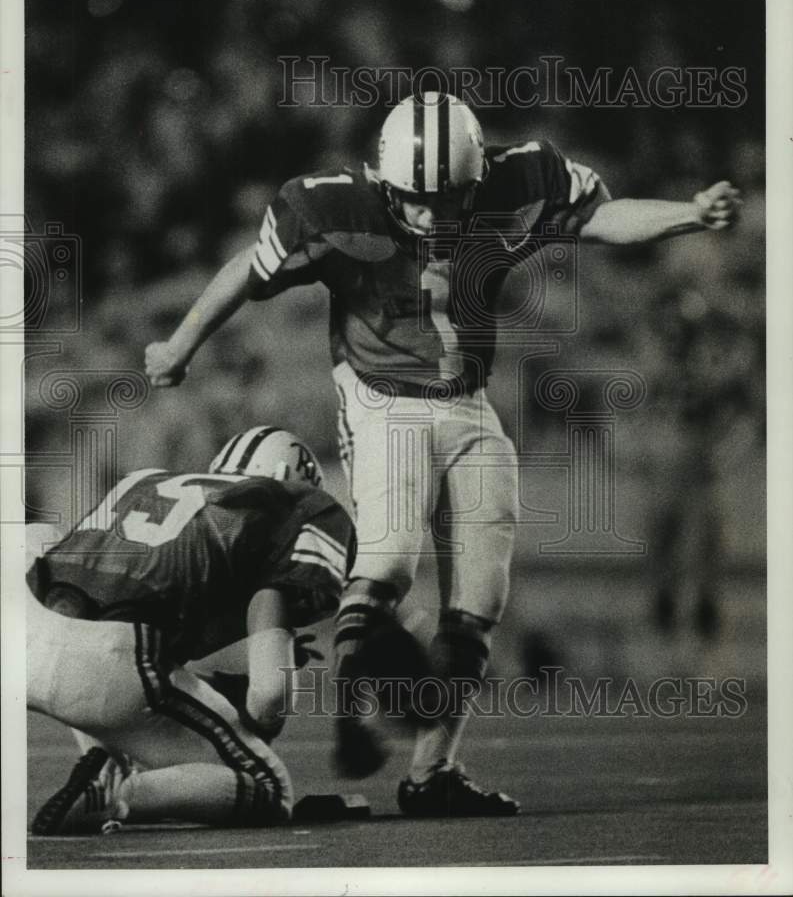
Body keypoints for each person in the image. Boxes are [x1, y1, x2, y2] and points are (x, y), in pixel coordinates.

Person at [145, 92, 742, 817]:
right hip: (382, 400)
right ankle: (355, 708)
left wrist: (689, 212)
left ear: (475, 177)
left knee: (481, 596)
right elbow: (250, 266)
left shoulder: (516, 183)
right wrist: (180, 344)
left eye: (445, 198)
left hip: (467, 401)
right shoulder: (336, 209)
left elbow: (597, 218)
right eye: (413, 199)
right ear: (383, 181)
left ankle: (432, 771)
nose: (429, 215)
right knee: (390, 559)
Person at [27, 426, 356, 834]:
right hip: (108, 660)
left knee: (100, 650)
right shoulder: (289, 510)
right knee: (269, 788)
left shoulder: (148, 481)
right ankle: (116, 794)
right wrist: (268, 692)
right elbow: (269, 698)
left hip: (25, 624)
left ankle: (103, 767)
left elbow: (85, 606)